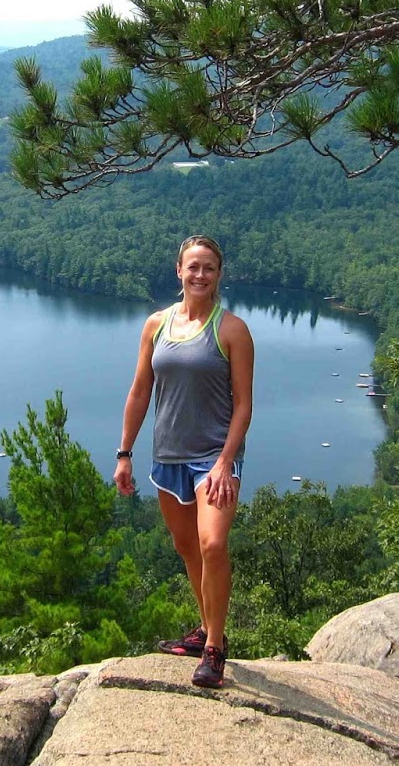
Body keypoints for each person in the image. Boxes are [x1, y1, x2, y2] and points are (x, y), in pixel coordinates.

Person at [114, 234, 254, 689]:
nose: (200, 275)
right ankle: (205, 629)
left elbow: (244, 404)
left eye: (209, 267)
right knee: (187, 547)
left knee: (212, 544)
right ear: (179, 270)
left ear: (219, 274)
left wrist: (225, 462)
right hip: (168, 456)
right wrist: (124, 454)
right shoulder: (156, 324)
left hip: (213, 458)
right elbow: (140, 392)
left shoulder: (231, 330)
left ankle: (214, 648)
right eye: (193, 266)